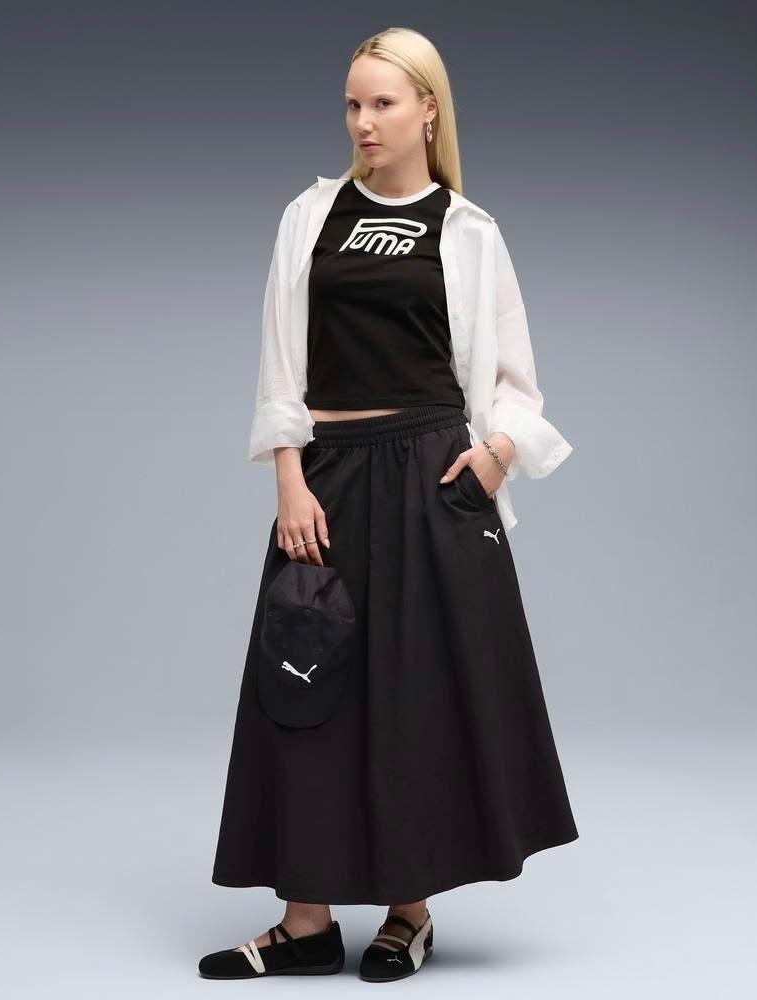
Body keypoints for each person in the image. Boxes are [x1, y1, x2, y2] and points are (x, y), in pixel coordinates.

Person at [199, 26, 579, 983]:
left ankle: (409, 914)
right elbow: (280, 364)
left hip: (432, 481)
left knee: (418, 696)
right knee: (302, 687)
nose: (362, 122)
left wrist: (497, 456)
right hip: (326, 478)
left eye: (382, 103)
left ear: (428, 111)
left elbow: (517, 383)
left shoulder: (469, 231)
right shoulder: (310, 216)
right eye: (352, 104)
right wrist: (288, 475)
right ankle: (304, 923)